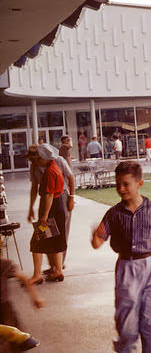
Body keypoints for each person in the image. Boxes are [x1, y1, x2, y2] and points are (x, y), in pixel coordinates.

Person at [91, 161, 151, 353]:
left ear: (139, 183)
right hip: (127, 268)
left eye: (126, 184)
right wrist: (94, 234)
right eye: (117, 183)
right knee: (126, 326)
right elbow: (97, 242)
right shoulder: (113, 214)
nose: (121, 188)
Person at [26, 143, 75, 276]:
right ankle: (56, 269)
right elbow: (36, 189)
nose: (34, 161)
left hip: (55, 202)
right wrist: (32, 208)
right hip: (52, 203)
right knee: (54, 235)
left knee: (40, 238)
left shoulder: (52, 169)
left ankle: (41, 274)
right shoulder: (50, 167)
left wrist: (44, 216)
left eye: (36, 158)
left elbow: (49, 194)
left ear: (43, 157)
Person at [1, 258, 45, 352]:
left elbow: (23, 277)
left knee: (13, 342)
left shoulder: (3, 264)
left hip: (4, 310)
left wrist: (35, 297)